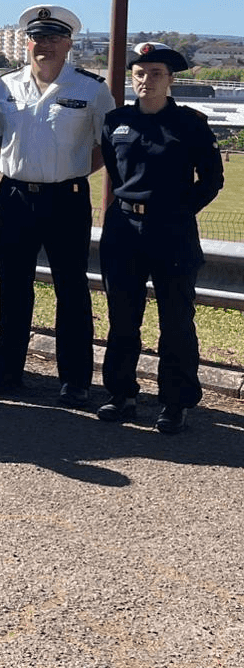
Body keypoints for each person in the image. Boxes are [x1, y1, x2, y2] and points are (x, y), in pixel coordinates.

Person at [0, 4, 115, 406]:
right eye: (39, 37)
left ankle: (74, 380)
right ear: (27, 42)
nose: (46, 45)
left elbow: (105, 146)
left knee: (71, 290)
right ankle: (6, 370)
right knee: (12, 287)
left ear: (69, 43)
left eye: (55, 37)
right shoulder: (6, 86)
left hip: (66, 200)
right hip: (15, 196)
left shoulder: (91, 88)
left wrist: (69, 172)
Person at [96, 42, 224, 434]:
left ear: (170, 79)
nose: (146, 81)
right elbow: (117, 177)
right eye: (139, 73)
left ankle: (175, 402)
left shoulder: (190, 124)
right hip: (123, 230)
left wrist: (180, 210)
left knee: (176, 321)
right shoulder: (115, 120)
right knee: (122, 318)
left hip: (172, 232)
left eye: (155, 74)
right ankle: (121, 395)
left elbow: (212, 179)